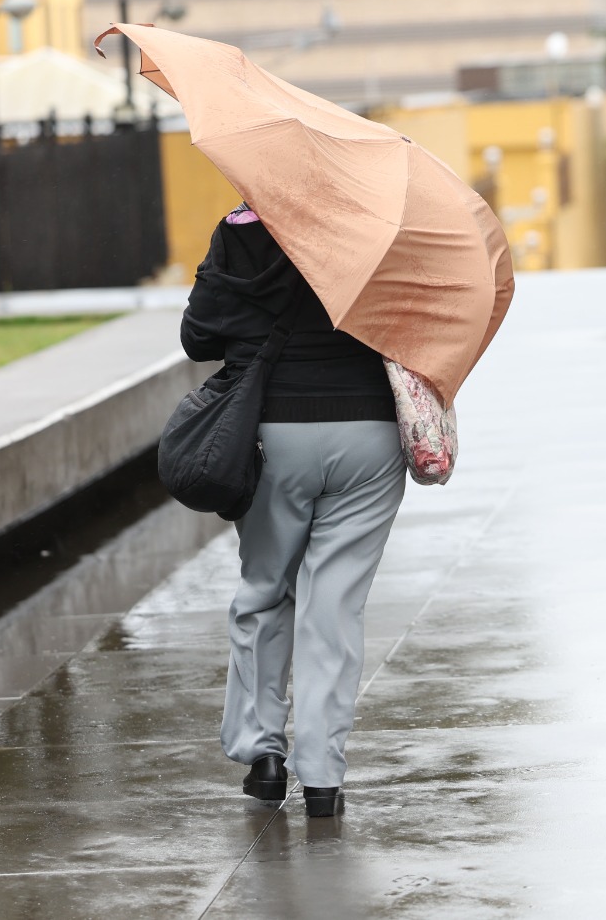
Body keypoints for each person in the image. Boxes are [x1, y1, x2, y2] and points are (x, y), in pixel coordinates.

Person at [179, 202, 406, 818]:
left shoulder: (240, 231)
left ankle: (264, 757)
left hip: (271, 434)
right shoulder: (375, 221)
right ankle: (324, 777)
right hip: (368, 433)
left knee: (265, 589)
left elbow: (198, 338)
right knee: (334, 605)